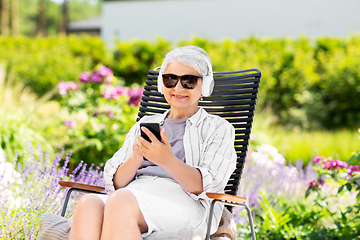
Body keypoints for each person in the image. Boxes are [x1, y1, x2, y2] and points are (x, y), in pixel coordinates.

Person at [68, 46, 237, 240]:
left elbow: (207, 186)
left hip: (185, 204)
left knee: (121, 201)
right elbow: (116, 183)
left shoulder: (218, 129)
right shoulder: (146, 123)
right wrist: (136, 157)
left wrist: (165, 159)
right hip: (132, 195)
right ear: (161, 83)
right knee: (88, 203)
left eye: (189, 81)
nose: (178, 88)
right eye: (170, 79)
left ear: (205, 87)